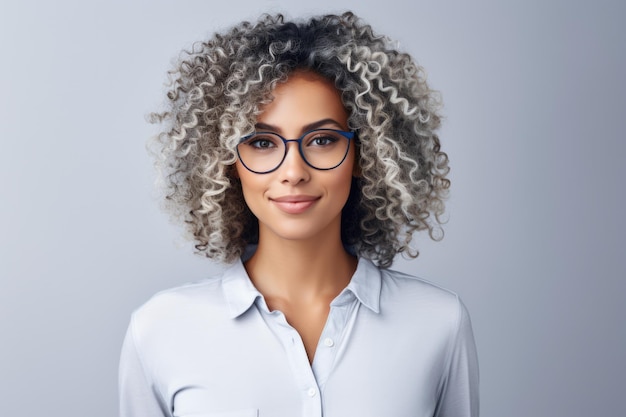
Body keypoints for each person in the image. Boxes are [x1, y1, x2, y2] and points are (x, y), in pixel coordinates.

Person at [119, 11, 478, 417]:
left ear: (365, 154)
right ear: (227, 161)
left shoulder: (438, 323)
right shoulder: (160, 329)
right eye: (262, 143)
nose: (293, 172)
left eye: (322, 139)